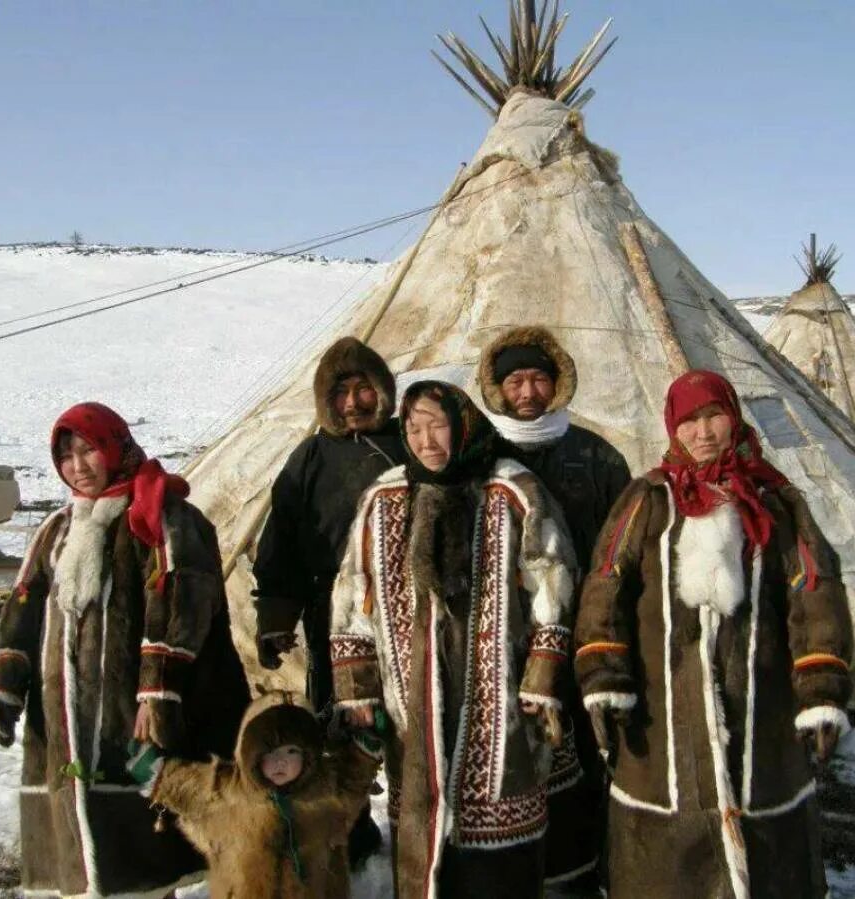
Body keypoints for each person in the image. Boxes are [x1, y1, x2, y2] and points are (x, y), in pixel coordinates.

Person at [574, 370, 854, 899]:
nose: (703, 433)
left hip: (761, 699)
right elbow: (605, 583)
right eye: (689, 421)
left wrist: (820, 688)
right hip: (664, 706)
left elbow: (815, 590)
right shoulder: (647, 499)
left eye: (713, 417)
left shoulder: (776, 501)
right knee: (668, 833)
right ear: (673, 429)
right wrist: (604, 673)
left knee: (764, 818)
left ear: (733, 418)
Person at [0, 401, 249, 898]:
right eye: (66, 456)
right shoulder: (57, 530)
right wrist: (6, 683)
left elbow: (181, 602)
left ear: (115, 447)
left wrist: (156, 691)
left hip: (136, 711)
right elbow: (24, 605)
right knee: (85, 859)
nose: (78, 466)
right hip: (65, 719)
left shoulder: (161, 516)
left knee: (144, 861)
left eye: (88, 450)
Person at [330, 381, 576, 899]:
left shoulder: (512, 490)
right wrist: (357, 689)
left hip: (500, 705)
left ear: (462, 424)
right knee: (422, 834)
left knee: (498, 849)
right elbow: (354, 598)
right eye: (414, 428)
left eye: (436, 425)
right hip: (411, 706)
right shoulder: (383, 498)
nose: (425, 440)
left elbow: (551, 582)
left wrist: (541, 676)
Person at [478, 326, 632, 891]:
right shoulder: (482, 454)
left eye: (538, 377)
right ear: (496, 388)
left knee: (586, 752)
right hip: (505, 635)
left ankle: (585, 863)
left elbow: (624, 543)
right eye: (515, 379)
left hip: (584, 626)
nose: (527, 390)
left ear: (557, 383)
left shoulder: (595, 454)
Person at [252, 336, 406, 866]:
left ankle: (417, 824)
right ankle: (351, 828)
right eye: (340, 393)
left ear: (383, 392)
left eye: (364, 390)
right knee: (340, 721)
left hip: (407, 611)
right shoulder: (311, 457)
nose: (353, 403)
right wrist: (275, 617)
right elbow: (281, 542)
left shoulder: (412, 444)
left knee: (411, 720)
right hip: (332, 615)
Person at [126, 694, 384, 899]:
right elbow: (186, 788)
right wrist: (153, 771)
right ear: (250, 754)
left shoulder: (324, 787)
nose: (280, 761)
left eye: (292, 751)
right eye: (269, 753)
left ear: (309, 754)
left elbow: (353, 781)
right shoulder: (229, 790)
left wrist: (367, 746)